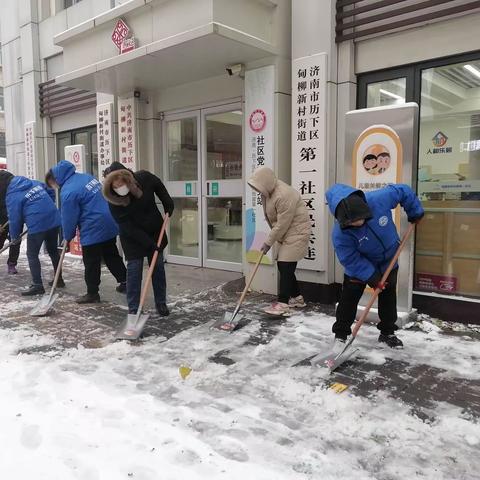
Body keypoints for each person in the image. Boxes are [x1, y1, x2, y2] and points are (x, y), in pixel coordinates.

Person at [325, 183, 424, 350]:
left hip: (388, 260)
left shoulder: (378, 199)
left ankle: (387, 333)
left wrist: (414, 211)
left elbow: (403, 191)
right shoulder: (340, 234)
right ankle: (341, 335)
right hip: (359, 266)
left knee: (388, 296)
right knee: (348, 299)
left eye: (360, 220)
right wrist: (371, 276)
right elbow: (349, 258)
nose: (357, 225)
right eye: (352, 223)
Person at [49, 160, 127, 304]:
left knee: (91, 261)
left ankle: (92, 293)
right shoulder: (86, 177)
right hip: (109, 220)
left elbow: (69, 218)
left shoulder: (68, 191)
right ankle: (126, 281)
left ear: (57, 178)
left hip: (93, 226)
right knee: (111, 254)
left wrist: (67, 236)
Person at [102, 162, 174, 317]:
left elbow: (158, 185)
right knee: (134, 271)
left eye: (122, 184)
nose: (119, 188)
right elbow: (129, 227)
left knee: (158, 268)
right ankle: (134, 309)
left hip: (155, 230)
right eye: (116, 186)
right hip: (133, 238)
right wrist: (149, 244)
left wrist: (167, 200)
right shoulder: (113, 200)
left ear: (128, 180)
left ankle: (161, 303)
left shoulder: (144, 178)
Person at [247, 166, 311, 316]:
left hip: (297, 232)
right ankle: (298, 298)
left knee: (285, 264)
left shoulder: (284, 194)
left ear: (266, 182)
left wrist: (268, 243)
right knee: (284, 267)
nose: (258, 191)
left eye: (259, 186)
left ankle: (283, 303)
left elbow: (282, 224)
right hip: (286, 233)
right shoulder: (267, 193)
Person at [6, 176, 62, 295]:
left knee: (32, 254)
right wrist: (48, 205)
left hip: (37, 224)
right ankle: (59, 279)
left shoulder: (12, 195)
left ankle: (37, 285)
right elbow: (50, 190)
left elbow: (14, 220)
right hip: (53, 218)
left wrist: (15, 237)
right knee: (52, 250)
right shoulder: (33, 182)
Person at [0, 170, 21, 274]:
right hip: (3, 217)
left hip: (15, 215)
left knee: (15, 240)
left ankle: (12, 264)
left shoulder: (10, 179)